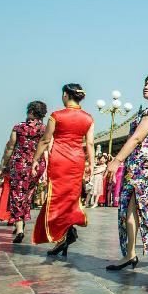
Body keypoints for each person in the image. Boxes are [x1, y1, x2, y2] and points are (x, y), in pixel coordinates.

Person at [105, 75, 148, 270]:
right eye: (145, 84)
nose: (146, 87)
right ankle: (130, 254)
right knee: (130, 209)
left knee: (139, 210)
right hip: (136, 164)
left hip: (142, 166)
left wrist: (117, 160)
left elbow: (136, 138)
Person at [31, 84, 95, 256]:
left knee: (56, 198)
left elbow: (45, 140)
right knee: (70, 198)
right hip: (77, 161)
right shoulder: (88, 118)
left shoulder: (56, 115)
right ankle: (67, 233)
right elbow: (89, 143)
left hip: (60, 160)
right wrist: (92, 164)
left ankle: (63, 235)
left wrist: (35, 159)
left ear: (66, 95)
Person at [0, 100, 48, 243]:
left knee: (17, 194)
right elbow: (47, 147)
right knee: (28, 194)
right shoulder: (45, 129)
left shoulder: (19, 127)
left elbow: (10, 147)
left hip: (19, 164)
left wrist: (3, 164)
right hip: (37, 166)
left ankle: (19, 228)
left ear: (30, 111)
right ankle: (21, 221)